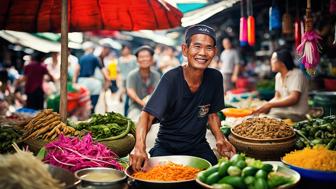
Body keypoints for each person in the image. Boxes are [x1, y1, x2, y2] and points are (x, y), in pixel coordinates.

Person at [130, 25, 236, 171]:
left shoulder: (215, 78)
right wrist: (139, 146)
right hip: (167, 148)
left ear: (215, 52)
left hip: (199, 147)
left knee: (214, 178)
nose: (202, 53)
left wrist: (219, 138)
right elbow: (147, 116)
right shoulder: (171, 78)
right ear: (185, 50)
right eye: (197, 46)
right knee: (145, 180)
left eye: (209, 48)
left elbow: (212, 114)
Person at [254, 48, 309, 121]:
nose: (271, 62)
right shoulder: (278, 76)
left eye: (273, 60)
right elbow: (277, 97)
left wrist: (269, 105)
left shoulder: (297, 74)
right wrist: (264, 106)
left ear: (282, 62)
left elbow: (294, 99)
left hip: (296, 114)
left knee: (268, 121)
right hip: (283, 112)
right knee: (260, 118)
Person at [126, 46, 161, 122]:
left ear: (151, 59)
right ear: (137, 60)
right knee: (135, 122)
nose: (144, 59)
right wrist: (143, 104)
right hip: (136, 108)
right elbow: (131, 92)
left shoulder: (156, 75)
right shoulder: (132, 75)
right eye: (141, 57)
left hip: (153, 109)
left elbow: (159, 93)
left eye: (147, 56)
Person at [77, 41, 109, 113]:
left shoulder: (81, 58)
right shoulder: (95, 58)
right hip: (93, 81)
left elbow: (77, 70)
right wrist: (107, 80)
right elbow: (103, 70)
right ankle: (92, 112)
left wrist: (74, 82)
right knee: (93, 103)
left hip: (82, 81)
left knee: (83, 103)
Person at [117, 44, 137, 116]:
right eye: (124, 49)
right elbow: (119, 72)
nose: (126, 50)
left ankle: (132, 114)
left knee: (132, 97)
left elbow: (136, 69)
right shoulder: (120, 59)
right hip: (124, 81)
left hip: (133, 80)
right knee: (126, 99)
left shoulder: (134, 58)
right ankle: (126, 115)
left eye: (127, 49)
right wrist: (119, 82)